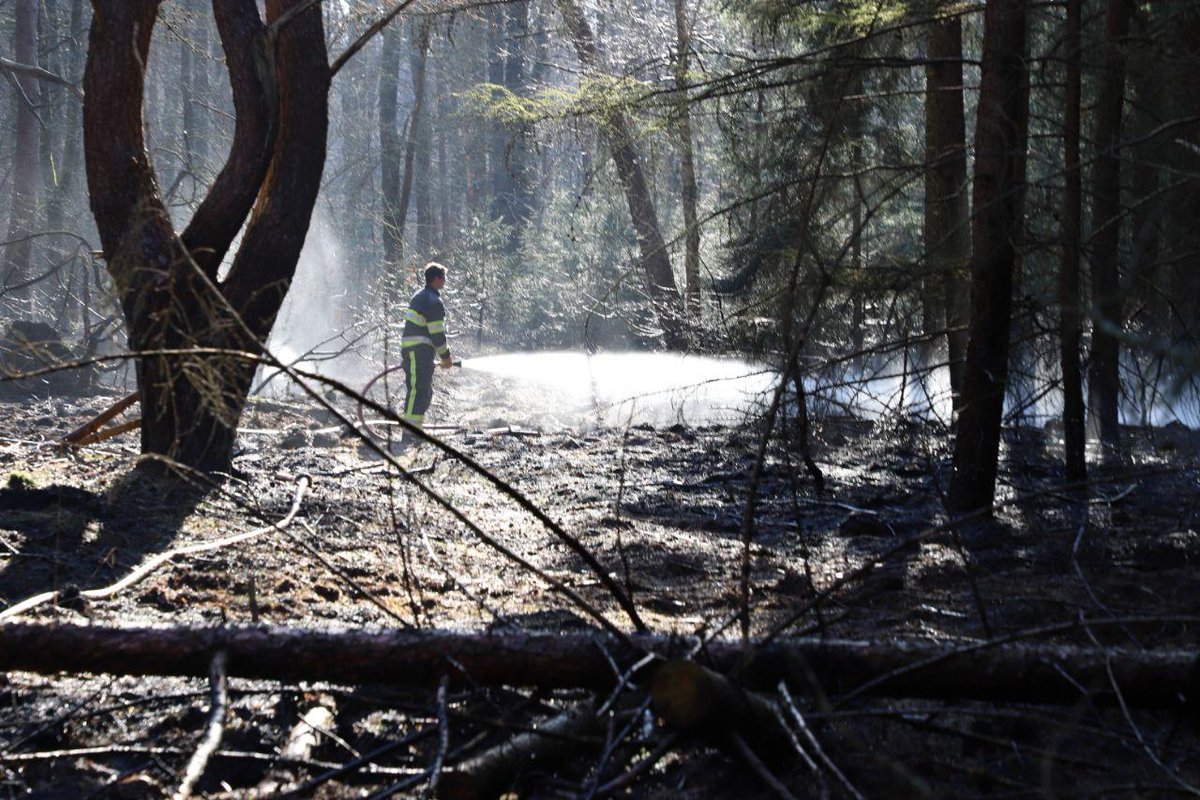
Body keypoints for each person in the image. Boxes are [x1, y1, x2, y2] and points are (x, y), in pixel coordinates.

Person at [400, 262, 454, 432]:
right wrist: (446, 357)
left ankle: (414, 430)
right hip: (418, 351)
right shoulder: (433, 301)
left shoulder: (421, 296)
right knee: (418, 390)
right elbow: (437, 333)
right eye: (443, 277)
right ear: (437, 279)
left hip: (418, 351)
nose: (445, 281)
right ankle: (409, 433)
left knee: (423, 390)